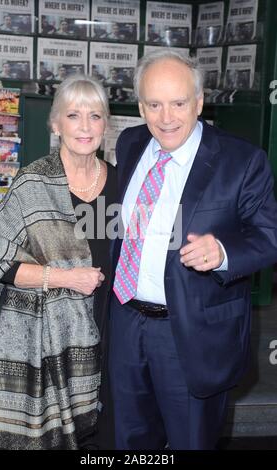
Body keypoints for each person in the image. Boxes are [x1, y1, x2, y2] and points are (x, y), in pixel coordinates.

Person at [109, 49, 277, 450]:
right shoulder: (131, 143)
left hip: (190, 334)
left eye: (179, 103)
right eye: (154, 104)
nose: (166, 117)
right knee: (129, 440)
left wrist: (222, 251)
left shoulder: (242, 160)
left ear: (199, 102)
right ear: (141, 105)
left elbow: (270, 237)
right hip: (125, 323)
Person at [0, 74, 117, 450]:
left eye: (95, 116)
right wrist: (65, 278)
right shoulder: (31, 183)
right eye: (74, 115)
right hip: (48, 346)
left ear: (107, 123)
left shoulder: (122, 185)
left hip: (114, 338)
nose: (85, 127)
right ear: (56, 124)